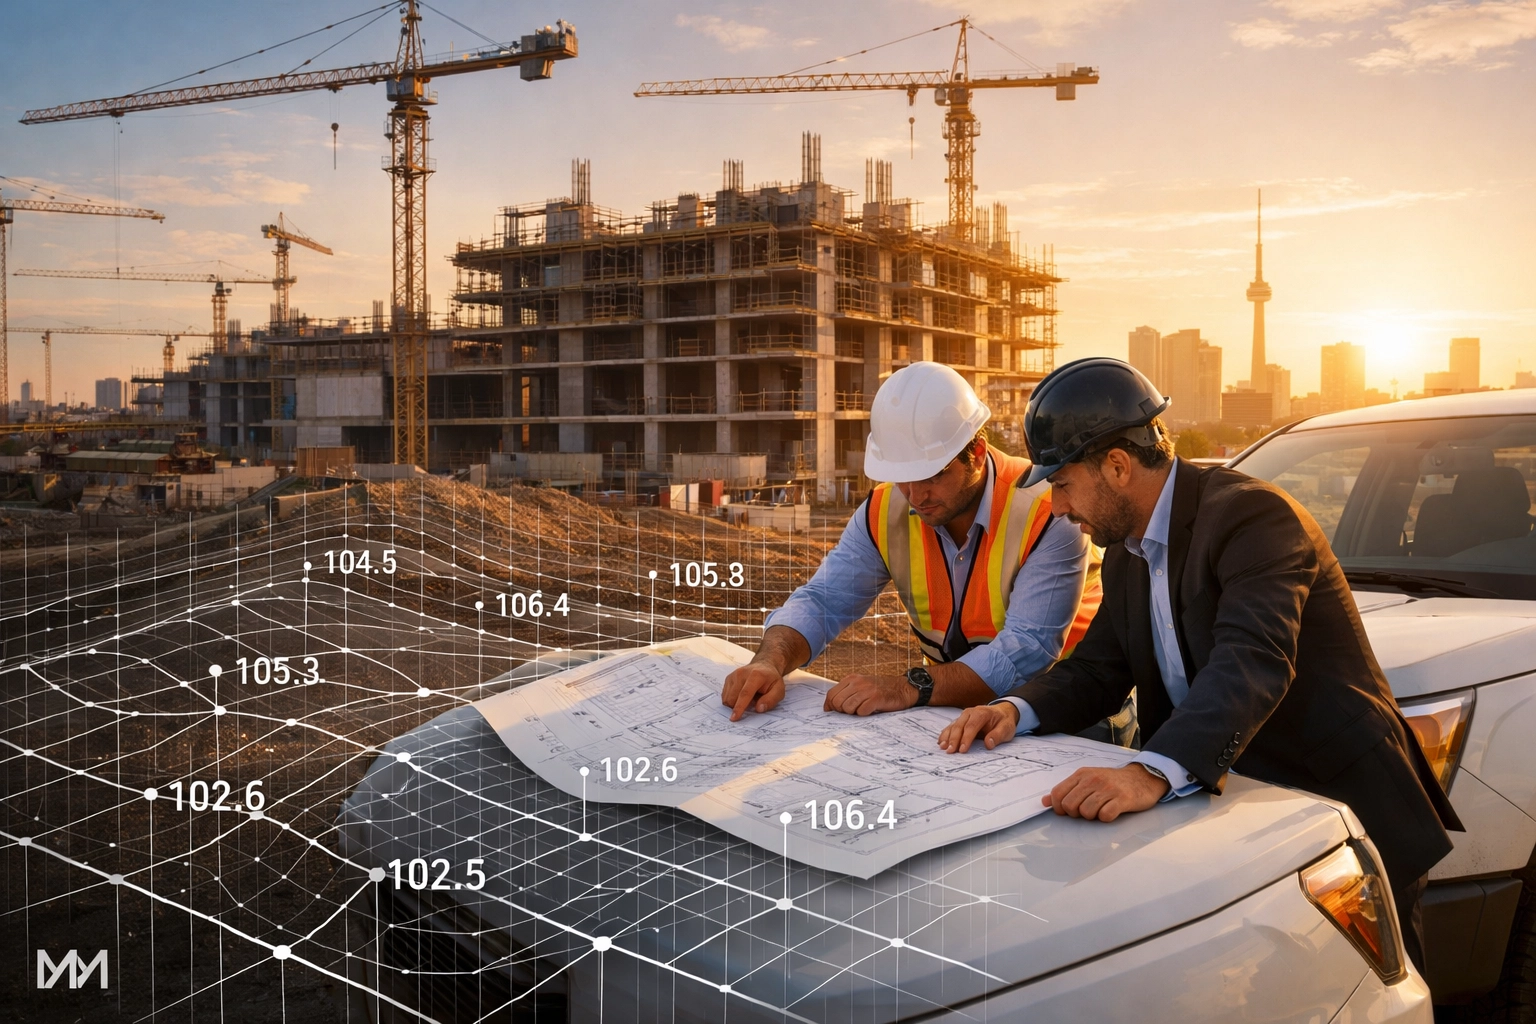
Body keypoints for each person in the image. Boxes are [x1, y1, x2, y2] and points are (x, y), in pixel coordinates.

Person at [937, 356, 1462, 970]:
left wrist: (1151, 772)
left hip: (1341, 813)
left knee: (1385, 997)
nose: (1056, 507)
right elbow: (1098, 670)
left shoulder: (1252, 519)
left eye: (1062, 484)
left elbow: (1253, 661)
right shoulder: (1129, 553)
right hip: (1244, 820)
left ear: (1116, 466)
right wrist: (1013, 709)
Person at [722, 361, 1098, 720]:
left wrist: (907, 687)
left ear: (978, 453)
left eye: (933, 475)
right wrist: (769, 660)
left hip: (1065, 715)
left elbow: (1024, 652)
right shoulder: (885, 511)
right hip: (955, 709)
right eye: (903, 476)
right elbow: (824, 599)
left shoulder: (1049, 511)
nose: (916, 495)